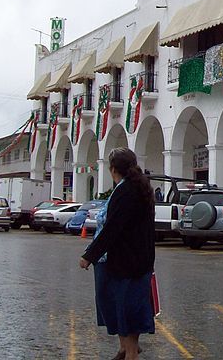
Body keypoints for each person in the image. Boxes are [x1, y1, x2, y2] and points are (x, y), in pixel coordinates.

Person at [79, 148, 155, 360]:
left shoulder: (126, 191)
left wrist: (89, 255)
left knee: (125, 308)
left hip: (125, 261)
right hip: (137, 259)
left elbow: (112, 228)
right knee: (126, 306)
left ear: (113, 170)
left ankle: (130, 353)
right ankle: (126, 349)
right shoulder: (138, 188)